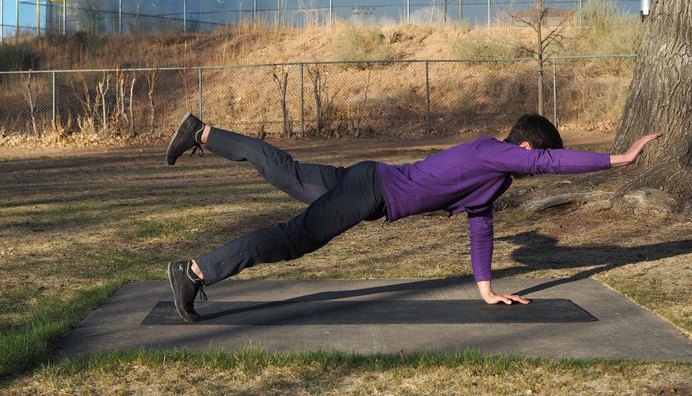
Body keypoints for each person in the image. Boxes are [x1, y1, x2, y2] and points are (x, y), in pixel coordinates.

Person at [165, 112, 662, 322]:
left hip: (369, 178)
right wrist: (619, 160)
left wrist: (486, 288)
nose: (535, 169)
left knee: (289, 172)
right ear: (526, 147)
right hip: (373, 190)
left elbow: (481, 224)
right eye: (535, 159)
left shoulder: (492, 176)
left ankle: (203, 132)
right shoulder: (495, 153)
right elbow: (548, 162)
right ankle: (194, 272)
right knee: (295, 238)